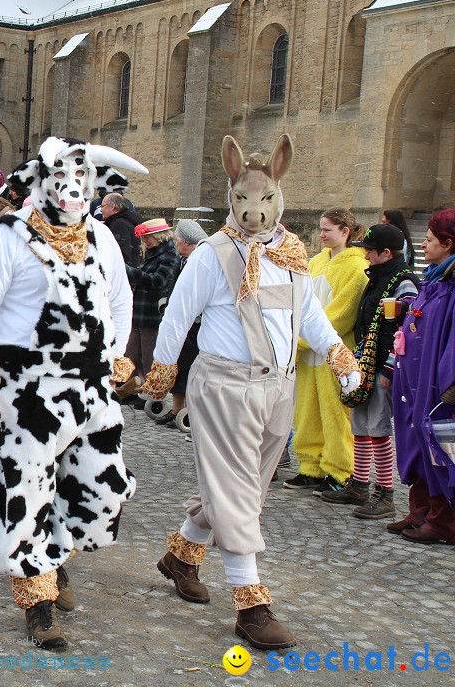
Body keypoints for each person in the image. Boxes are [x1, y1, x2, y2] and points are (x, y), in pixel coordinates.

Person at [143, 134, 361, 650]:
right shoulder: (212, 255)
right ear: (231, 197)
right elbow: (178, 315)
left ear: (277, 196)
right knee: (238, 492)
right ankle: (251, 603)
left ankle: (181, 554)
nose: (253, 212)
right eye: (243, 201)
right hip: (223, 388)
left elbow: (309, 314)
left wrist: (339, 355)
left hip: (278, 388)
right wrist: (162, 370)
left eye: (263, 200)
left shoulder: (291, 254)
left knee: (245, 492)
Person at [0, 136, 145, 649]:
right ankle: (36, 601)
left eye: (81, 179)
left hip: (90, 387)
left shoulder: (103, 238)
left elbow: (121, 301)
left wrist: (116, 359)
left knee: (102, 492)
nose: (71, 188)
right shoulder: (8, 236)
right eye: (61, 178)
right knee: (26, 494)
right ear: (38, 183)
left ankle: (52, 559)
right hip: (26, 391)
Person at [316, 223, 417, 516]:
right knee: (360, 426)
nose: (366, 257)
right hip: (366, 364)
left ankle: (384, 494)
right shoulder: (377, 277)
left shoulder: (403, 282)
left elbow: (407, 331)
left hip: (383, 367)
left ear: (386, 253)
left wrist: (388, 370)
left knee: (378, 429)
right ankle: (359, 485)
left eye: (370, 252)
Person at [284, 208, 369, 492]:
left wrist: (302, 337)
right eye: (320, 229)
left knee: (335, 414)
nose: (321, 235)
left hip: (335, 352)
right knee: (307, 410)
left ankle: (340, 469)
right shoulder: (316, 262)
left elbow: (340, 314)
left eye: (327, 230)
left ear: (344, 231)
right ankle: (311, 465)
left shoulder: (356, 268)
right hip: (309, 354)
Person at [391, 208, 455, 545]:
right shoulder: (434, 277)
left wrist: (449, 382)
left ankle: (443, 520)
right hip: (416, 376)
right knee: (415, 440)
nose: (423, 245)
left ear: (448, 243)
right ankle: (421, 510)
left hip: (436, 381)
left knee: (439, 446)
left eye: (429, 240)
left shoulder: (452, 283)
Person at [159, 219, 208, 425]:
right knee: (177, 365)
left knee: (188, 367)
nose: (175, 243)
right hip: (181, 323)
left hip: (195, 324)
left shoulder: (200, 261)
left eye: (177, 240)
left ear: (187, 242)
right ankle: (176, 408)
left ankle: (188, 411)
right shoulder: (183, 259)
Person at [123, 218, 178, 387]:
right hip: (139, 312)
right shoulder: (152, 254)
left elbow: (157, 281)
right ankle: (132, 387)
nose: (145, 241)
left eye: (148, 237)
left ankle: (150, 391)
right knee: (131, 354)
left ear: (160, 236)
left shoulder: (169, 256)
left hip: (152, 314)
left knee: (148, 356)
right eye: (144, 237)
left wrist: (129, 271)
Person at [101, 192, 143, 267]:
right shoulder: (129, 221)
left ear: (112, 207)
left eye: (102, 206)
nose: (101, 210)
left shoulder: (119, 225)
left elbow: (122, 255)